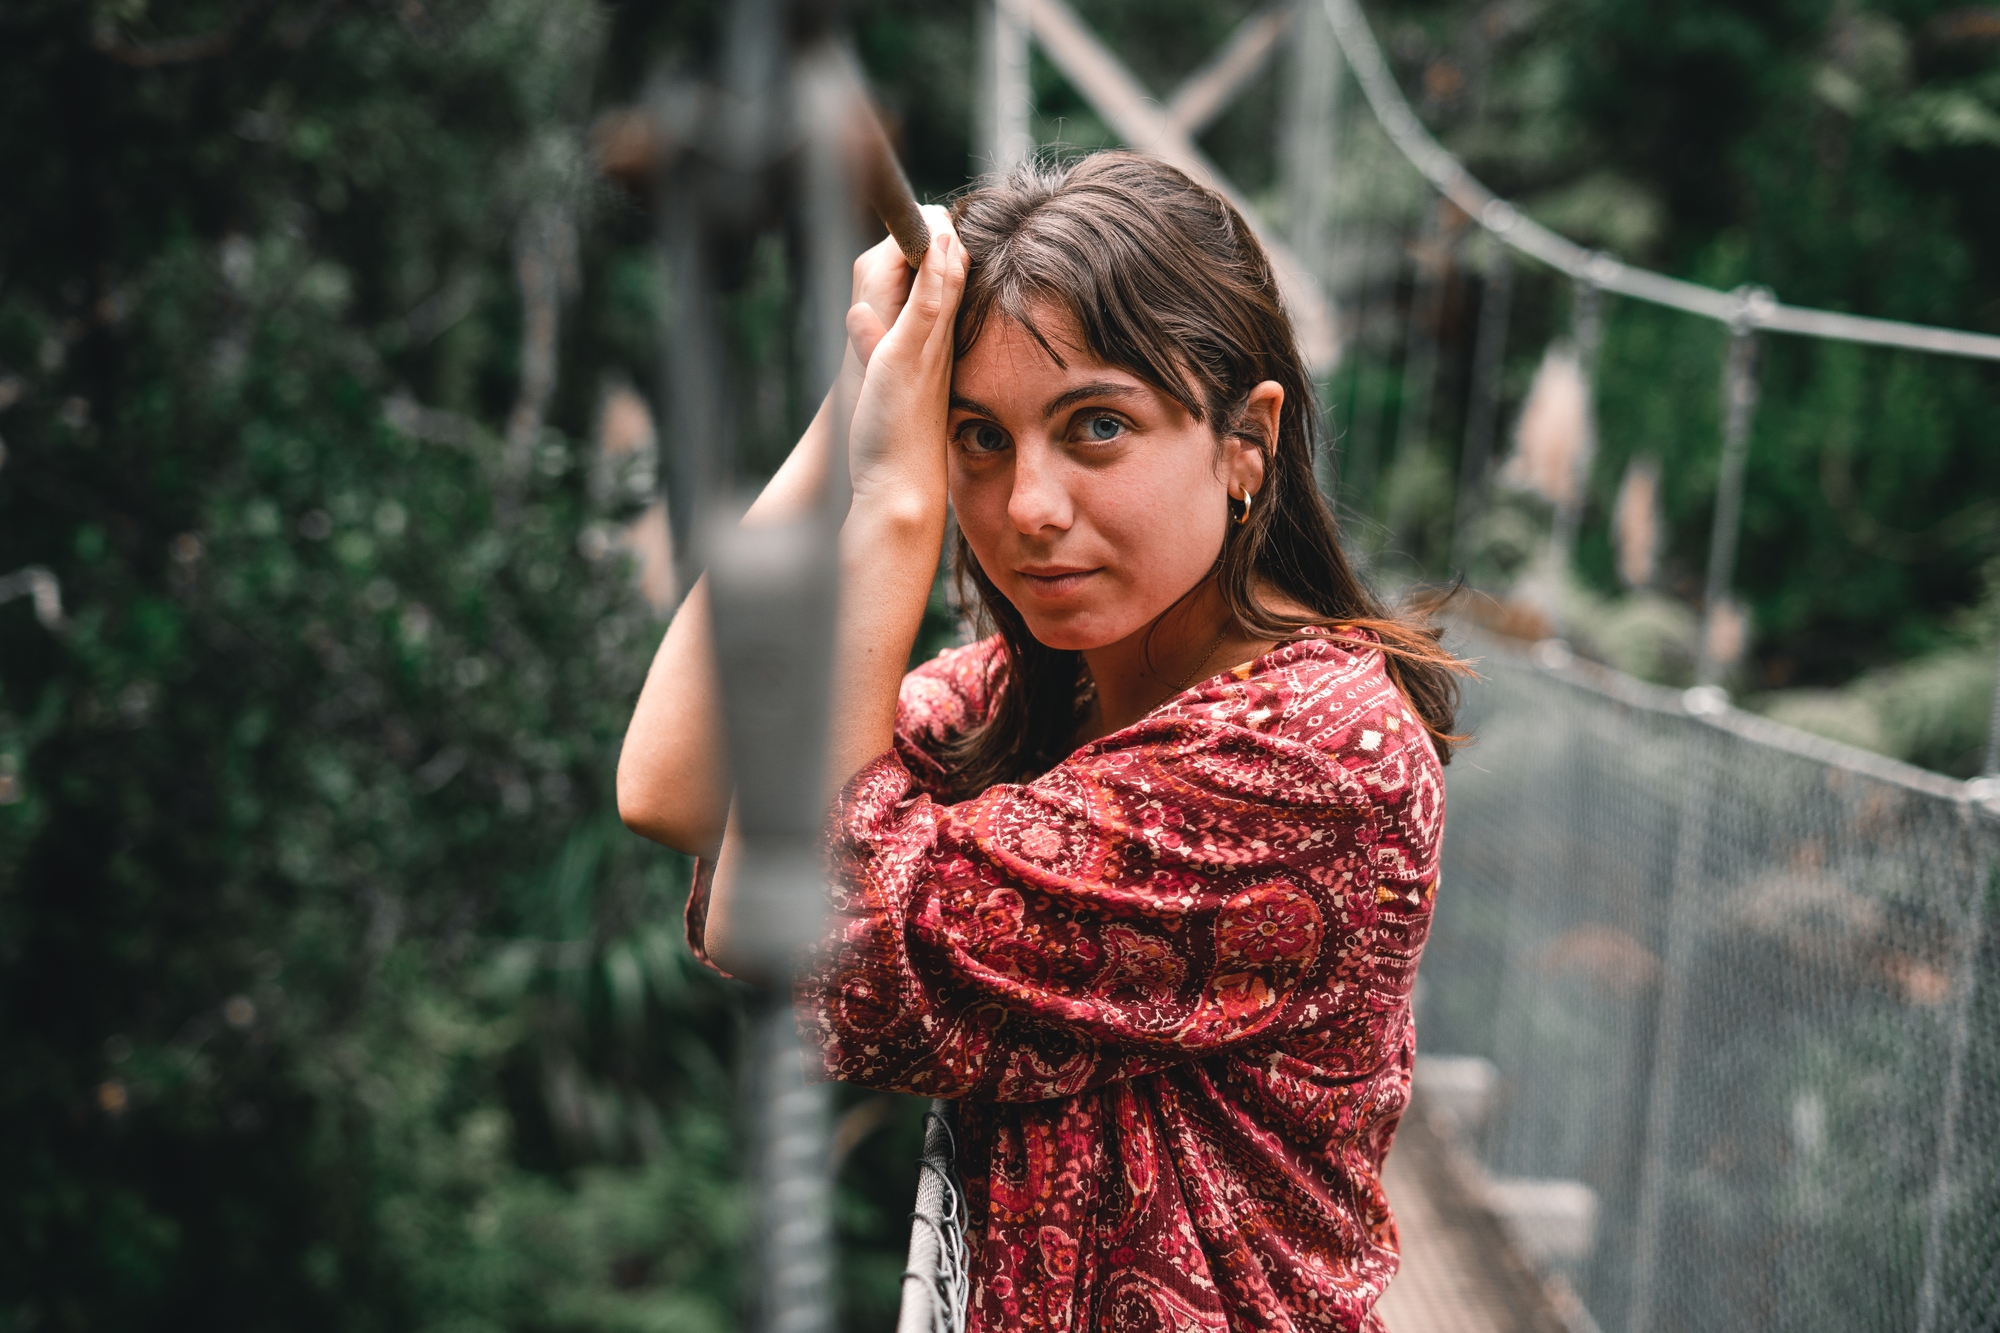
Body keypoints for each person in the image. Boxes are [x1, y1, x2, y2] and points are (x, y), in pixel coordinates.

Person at [618, 152, 1467, 1333]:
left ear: (1244, 441)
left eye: (1096, 428)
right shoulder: (1033, 693)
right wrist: (864, 378)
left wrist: (898, 504)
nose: (1028, 506)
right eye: (974, 436)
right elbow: (672, 781)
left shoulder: (1316, 753)